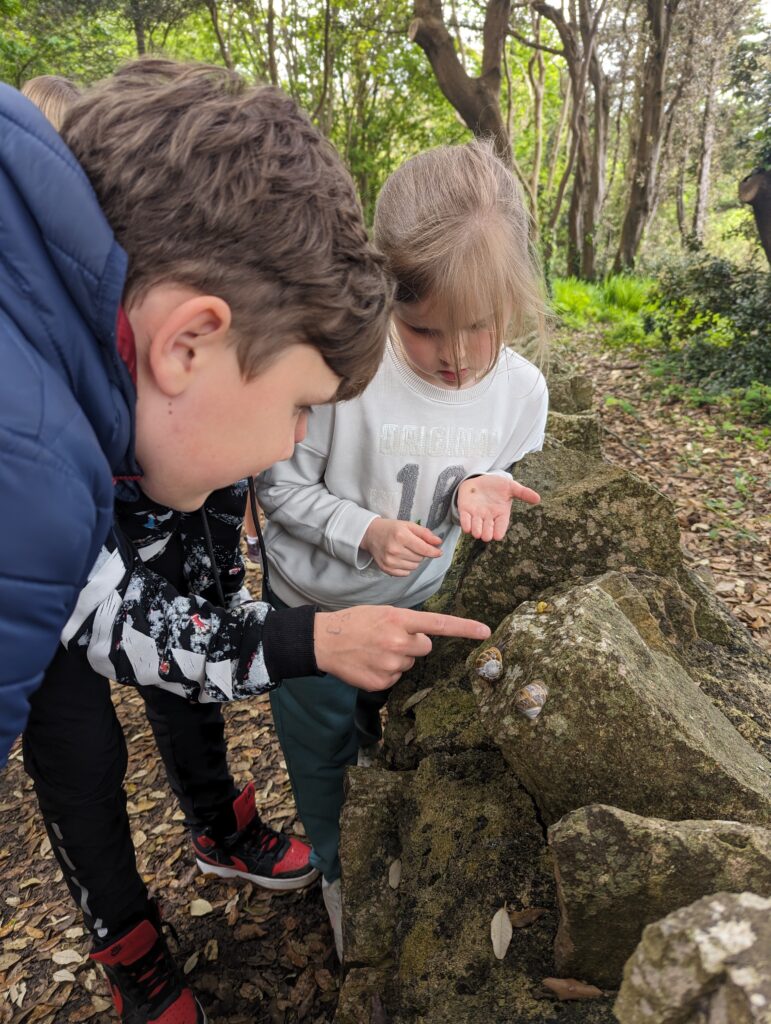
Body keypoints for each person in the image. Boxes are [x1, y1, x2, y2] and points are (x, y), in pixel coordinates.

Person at [0, 61, 491, 1024]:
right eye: (300, 406)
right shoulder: (35, 478)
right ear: (191, 343)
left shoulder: (52, 397)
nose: (295, 443)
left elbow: (100, 605)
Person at [256, 139, 550, 958]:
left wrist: (485, 485)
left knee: (398, 740)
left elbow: (504, 465)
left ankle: (386, 851)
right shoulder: (341, 372)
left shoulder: (522, 391)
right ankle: (336, 867)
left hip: (420, 608)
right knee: (320, 753)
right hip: (312, 613)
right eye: (423, 331)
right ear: (382, 291)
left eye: (481, 329)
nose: (455, 358)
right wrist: (365, 530)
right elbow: (275, 487)